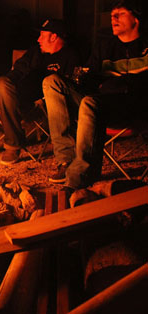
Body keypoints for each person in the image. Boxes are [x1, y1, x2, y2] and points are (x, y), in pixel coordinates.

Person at [43, 0, 148, 190]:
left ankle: (79, 178)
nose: (113, 18)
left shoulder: (146, 47)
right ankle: (66, 160)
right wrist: (81, 78)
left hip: (135, 105)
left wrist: (119, 84)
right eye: (112, 15)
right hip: (102, 103)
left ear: (136, 19)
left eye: (121, 14)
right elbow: (91, 77)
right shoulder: (104, 47)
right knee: (52, 82)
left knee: (91, 102)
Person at [0, 19, 81, 163]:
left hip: (35, 105)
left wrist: (3, 86)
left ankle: (13, 145)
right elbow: (17, 70)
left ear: (54, 37)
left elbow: (68, 88)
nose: (38, 39)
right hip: (9, 96)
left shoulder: (70, 56)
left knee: (2, 84)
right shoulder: (36, 51)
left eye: (42, 35)